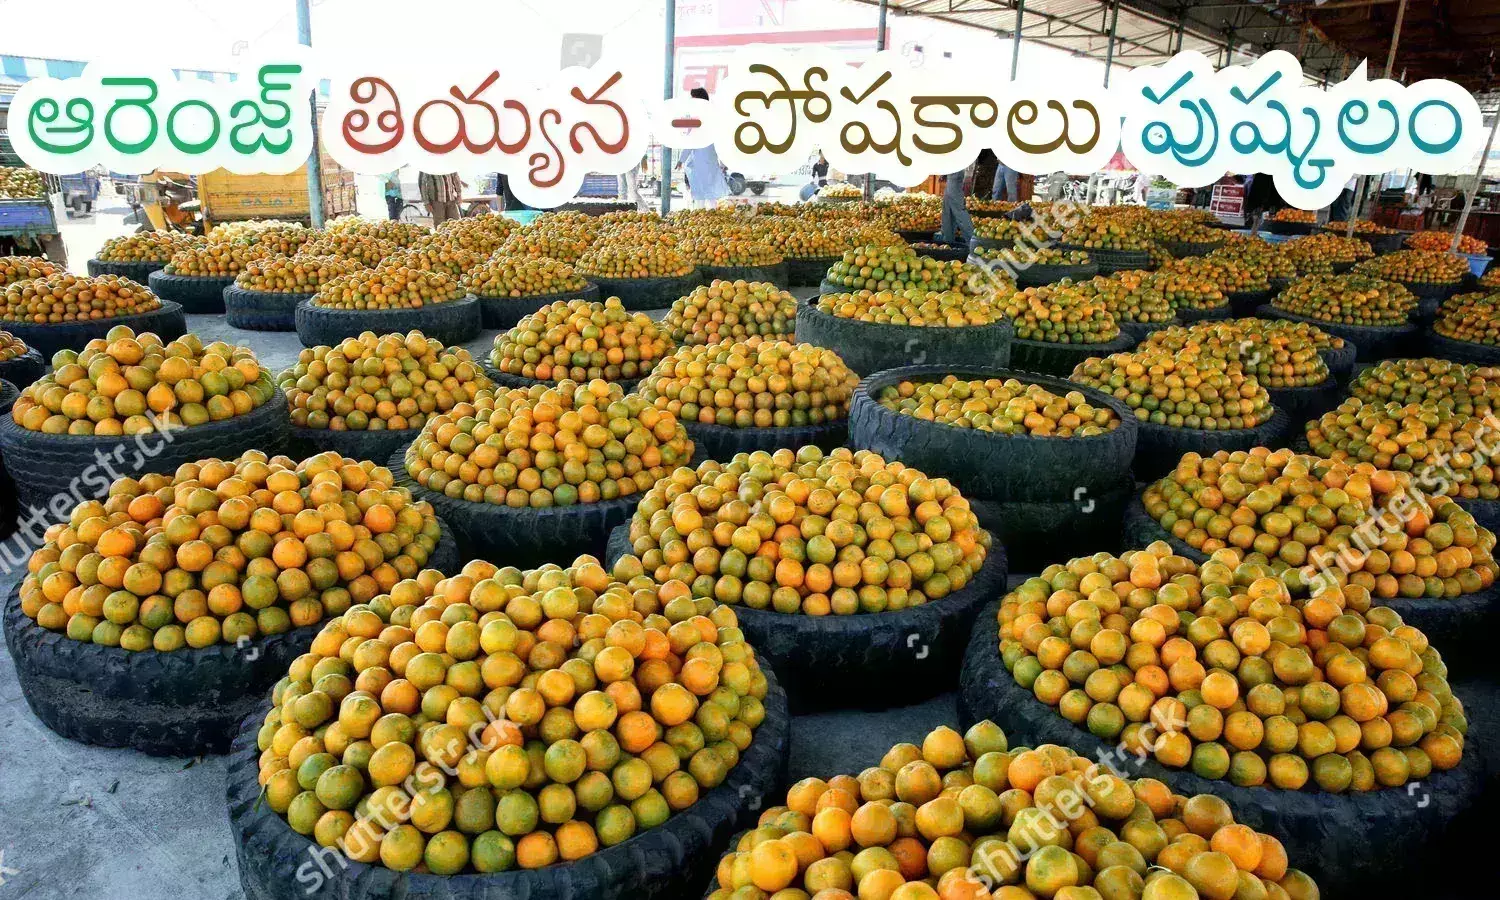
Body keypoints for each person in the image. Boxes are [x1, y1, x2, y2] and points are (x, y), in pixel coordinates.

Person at [677, 87, 730, 209]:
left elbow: (691, 141)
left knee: (701, 192)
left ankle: (703, 214)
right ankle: (707, 215)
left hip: (703, 160)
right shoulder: (710, 115)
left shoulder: (699, 118)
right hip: (705, 159)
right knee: (707, 192)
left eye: (693, 99)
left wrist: (681, 159)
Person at [938, 165, 976, 245]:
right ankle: (948, 241)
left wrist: (968, 175)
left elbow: (969, 158)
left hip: (958, 172)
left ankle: (972, 241)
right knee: (948, 209)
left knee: (958, 209)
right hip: (953, 171)